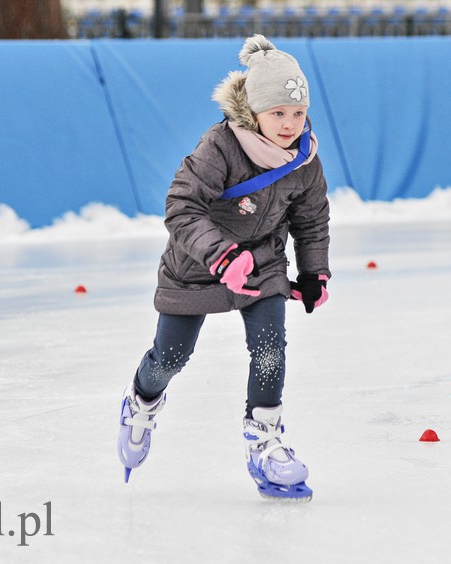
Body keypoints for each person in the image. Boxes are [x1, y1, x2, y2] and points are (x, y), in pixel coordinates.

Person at [117, 35, 330, 502]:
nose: (291, 124)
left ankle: (266, 440)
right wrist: (221, 255)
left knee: (270, 350)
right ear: (254, 110)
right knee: (170, 358)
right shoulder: (219, 146)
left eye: (298, 113)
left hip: (263, 265)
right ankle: (142, 400)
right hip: (196, 265)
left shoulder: (304, 158)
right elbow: (181, 208)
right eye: (278, 113)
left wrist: (315, 271)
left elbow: (311, 218)